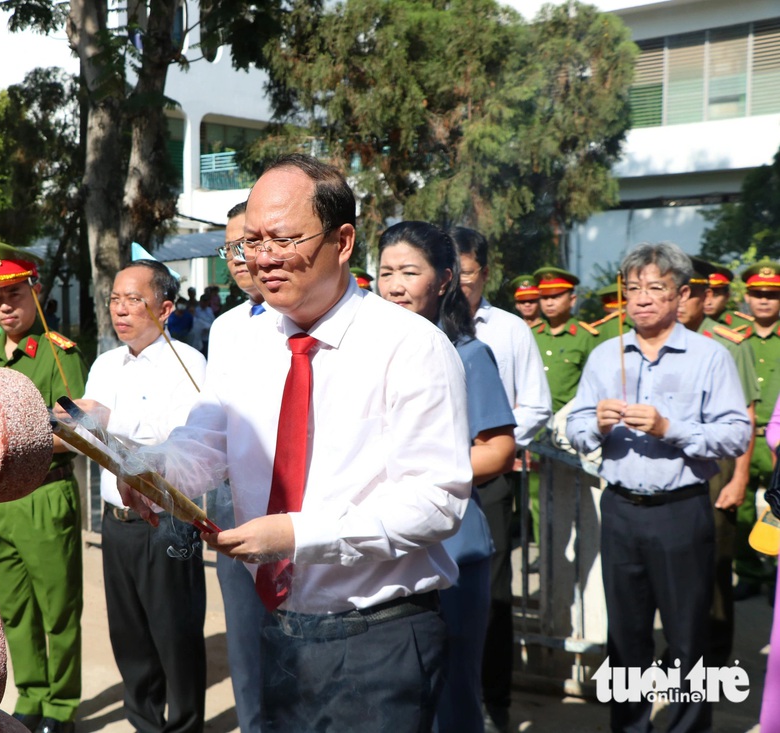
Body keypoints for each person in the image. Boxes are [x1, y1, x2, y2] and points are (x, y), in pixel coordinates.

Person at [123, 154, 472, 732]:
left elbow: (436, 501)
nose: (263, 258)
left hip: (377, 634)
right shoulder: (242, 339)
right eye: (252, 241)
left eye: (284, 239)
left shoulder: (410, 347)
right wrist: (149, 471)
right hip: (281, 628)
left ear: (342, 240)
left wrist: (295, 533)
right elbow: (205, 441)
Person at [566, 241, 751, 733]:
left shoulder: (710, 357)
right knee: (626, 638)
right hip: (621, 510)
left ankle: (689, 727)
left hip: (681, 511)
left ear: (681, 294)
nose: (642, 298)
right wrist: (597, 427)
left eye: (655, 288)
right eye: (633, 289)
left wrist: (671, 427)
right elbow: (576, 425)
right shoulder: (608, 355)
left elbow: (735, 434)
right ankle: (631, 728)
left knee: (689, 634)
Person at [377, 221, 516, 733]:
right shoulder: (367, 358)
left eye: (409, 272)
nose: (394, 285)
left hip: (453, 548)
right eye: (385, 272)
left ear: (443, 281)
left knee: (452, 696)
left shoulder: (468, 355)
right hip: (385, 541)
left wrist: (421, 476)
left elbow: (499, 450)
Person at [79, 259, 208, 733]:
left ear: (165, 307)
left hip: (168, 519)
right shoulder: (105, 364)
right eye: (115, 298)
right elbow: (92, 439)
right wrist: (78, 421)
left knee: (176, 637)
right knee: (130, 638)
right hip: (118, 520)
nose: (121, 309)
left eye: (134, 299)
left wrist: (112, 421)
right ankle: (144, 724)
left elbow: (182, 443)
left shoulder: (189, 364)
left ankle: (186, 726)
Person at [0, 242, 88, 733]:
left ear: (34, 291)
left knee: (58, 609)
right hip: (0, 503)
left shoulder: (60, 354)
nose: (4, 307)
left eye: (14, 294)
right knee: (13, 609)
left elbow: (78, 434)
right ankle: (32, 697)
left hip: (44, 495)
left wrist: (13, 441)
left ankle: (61, 708)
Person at [452, 226, 552, 733]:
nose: (455, 286)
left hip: (488, 484)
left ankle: (494, 703)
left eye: (465, 275)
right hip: (424, 487)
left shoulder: (509, 330)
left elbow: (536, 403)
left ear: (484, 274)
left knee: (489, 598)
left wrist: (494, 435)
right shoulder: (411, 329)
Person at [207, 201, 268, 733]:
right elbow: (211, 422)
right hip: (234, 502)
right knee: (246, 647)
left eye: (249, 241)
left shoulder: (315, 317)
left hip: (303, 508)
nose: (240, 256)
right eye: (230, 246)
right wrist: (160, 472)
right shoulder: (225, 328)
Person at [678, 256, 757, 665]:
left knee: (714, 562)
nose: (679, 300)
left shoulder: (728, 342)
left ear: (705, 295)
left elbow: (746, 416)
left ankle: (714, 655)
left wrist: (740, 477)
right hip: (673, 466)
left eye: (688, 292)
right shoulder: (657, 338)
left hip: (717, 466)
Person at [734, 261, 780, 601]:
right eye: (758, 294)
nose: (764, 301)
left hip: (778, 439)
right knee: (743, 509)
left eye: (772, 295)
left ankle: (777, 576)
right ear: (747, 297)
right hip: (746, 436)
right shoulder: (734, 338)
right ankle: (749, 572)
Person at [531, 266, 600, 414]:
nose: (549, 303)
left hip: (567, 420)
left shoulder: (585, 337)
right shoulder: (532, 335)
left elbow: (595, 383)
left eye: (556, 297)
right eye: (544, 298)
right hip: (534, 423)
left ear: (572, 300)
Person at [705, 262, 754, 335]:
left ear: (727, 296)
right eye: (705, 295)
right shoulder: (687, 321)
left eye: (716, 295)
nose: (708, 302)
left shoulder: (744, 323)